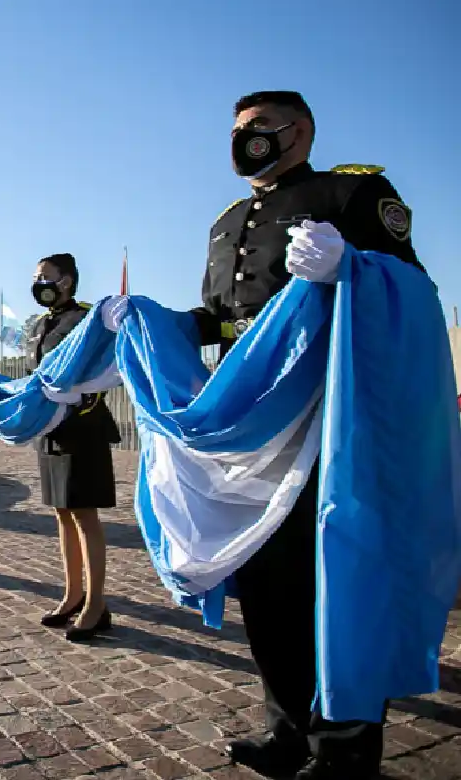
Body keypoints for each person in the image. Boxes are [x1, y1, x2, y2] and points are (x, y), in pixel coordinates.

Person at [103, 91, 424, 780]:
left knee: (334, 582)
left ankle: (345, 751)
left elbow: (412, 291)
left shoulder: (351, 194)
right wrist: (153, 319)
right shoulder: (225, 223)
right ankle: (287, 731)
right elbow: (220, 320)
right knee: (267, 584)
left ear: (298, 130)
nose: (243, 139)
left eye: (257, 127)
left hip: (328, 421)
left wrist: (350, 267)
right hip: (252, 427)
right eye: (236, 129)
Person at [27, 254, 121, 642]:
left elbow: (104, 369)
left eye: (45, 277)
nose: (39, 283)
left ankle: (96, 604)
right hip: (51, 428)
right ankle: (73, 595)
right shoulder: (40, 324)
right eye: (37, 277)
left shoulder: (86, 318)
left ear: (66, 281)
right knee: (62, 513)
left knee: (84, 514)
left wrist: (79, 399)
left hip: (82, 426)